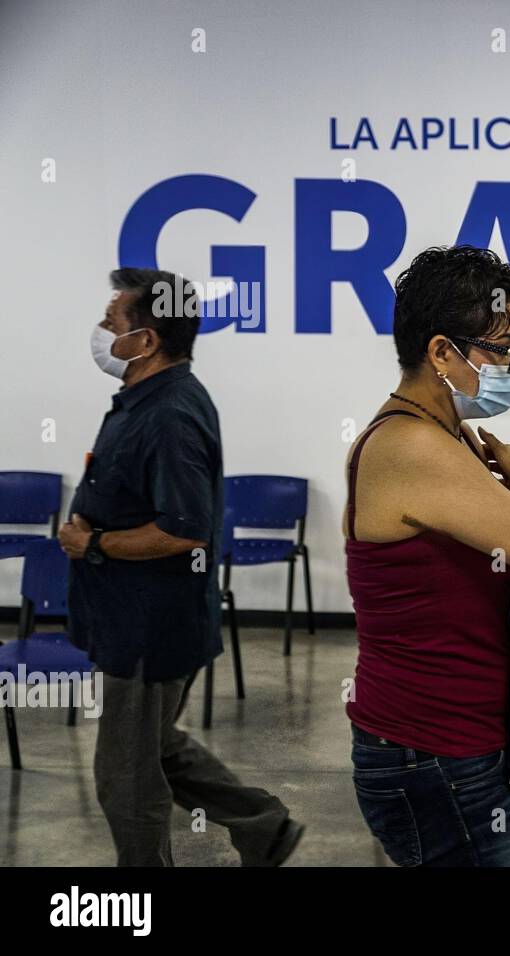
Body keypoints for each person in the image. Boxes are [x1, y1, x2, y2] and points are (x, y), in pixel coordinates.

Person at [344, 245, 510, 867]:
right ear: (442, 351)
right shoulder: (414, 448)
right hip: (431, 751)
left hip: (455, 742)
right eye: (501, 349)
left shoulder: (449, 438)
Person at [60, 268, 303, 866]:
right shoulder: (144, 400)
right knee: (156, 748)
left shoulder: (170, 415)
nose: (100, 330)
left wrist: (95, 545)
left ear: (144, 341)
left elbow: (183, 529)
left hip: (149, 627)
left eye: (111, 321)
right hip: (130, 621)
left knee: (126, 778)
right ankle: (263, 826)